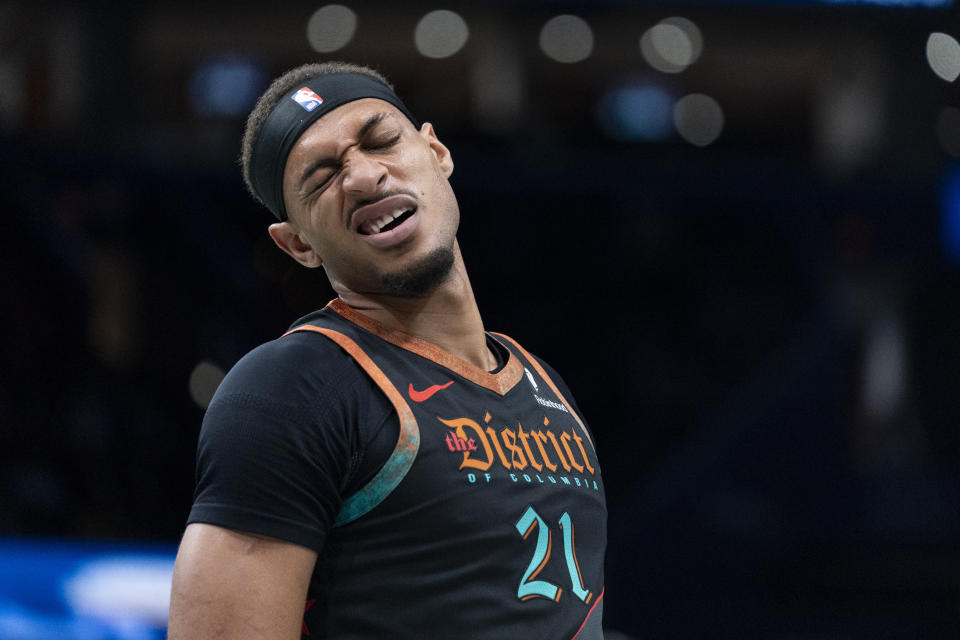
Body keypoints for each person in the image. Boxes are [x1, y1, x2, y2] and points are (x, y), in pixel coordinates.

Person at [168, 60, 607, 640]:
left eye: (381, 141)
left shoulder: (546, 389)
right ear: (298, 243)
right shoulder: (291, 388)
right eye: (322, 176)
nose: (362, 177)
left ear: (437, 152)